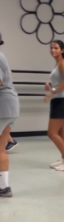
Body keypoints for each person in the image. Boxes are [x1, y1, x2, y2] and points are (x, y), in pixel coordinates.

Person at [45, 40, 64, 171]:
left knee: (51, 133)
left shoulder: (63, 63)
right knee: (61, 131)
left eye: (56, 48)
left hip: (61, 100)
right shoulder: (57, 63)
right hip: (58, 99)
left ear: (62, 50)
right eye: (51, 48)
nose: (53, 50)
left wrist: (52, 91)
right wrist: (50, 85)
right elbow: (60, 81)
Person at [0, 32, 20, 198]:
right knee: (0, 148)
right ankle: (4, 187)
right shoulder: (2, 56)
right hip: (9, 105)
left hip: (3, 105)